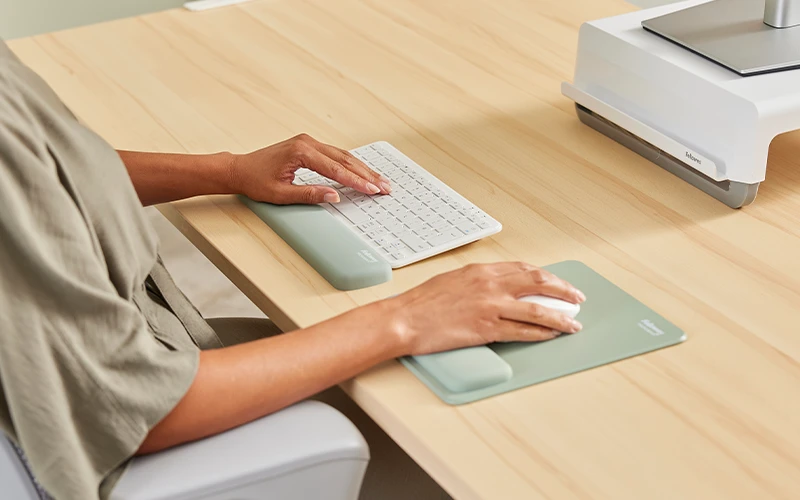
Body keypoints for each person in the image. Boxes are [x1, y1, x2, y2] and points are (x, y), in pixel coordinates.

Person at [0, 38, 585, 500]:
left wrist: (227, 171)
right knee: (505, 441)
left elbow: (43, 177)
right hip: (114, 434)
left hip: (143, 343)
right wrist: (406, 317)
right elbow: (136, 410)